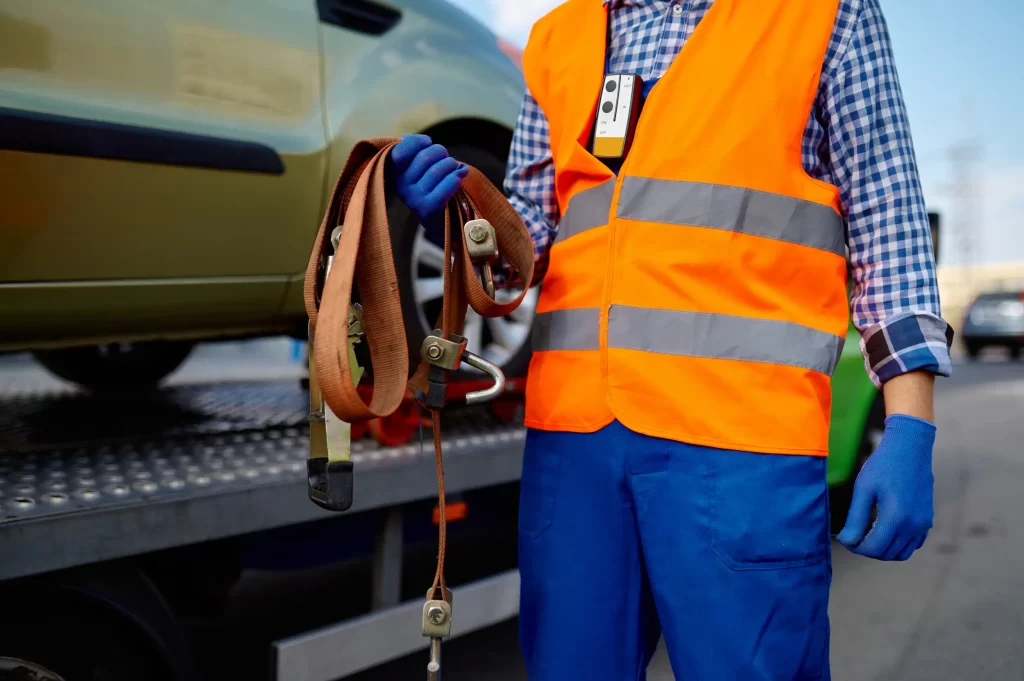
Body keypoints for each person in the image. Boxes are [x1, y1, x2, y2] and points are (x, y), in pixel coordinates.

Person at [387, 0, 952, 678]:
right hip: (575, 447)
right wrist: (463, 219)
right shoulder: (558, 40)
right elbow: (527, 241)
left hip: (741, 446)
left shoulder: (824, 15)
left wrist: (910, 421)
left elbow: (888, 220)